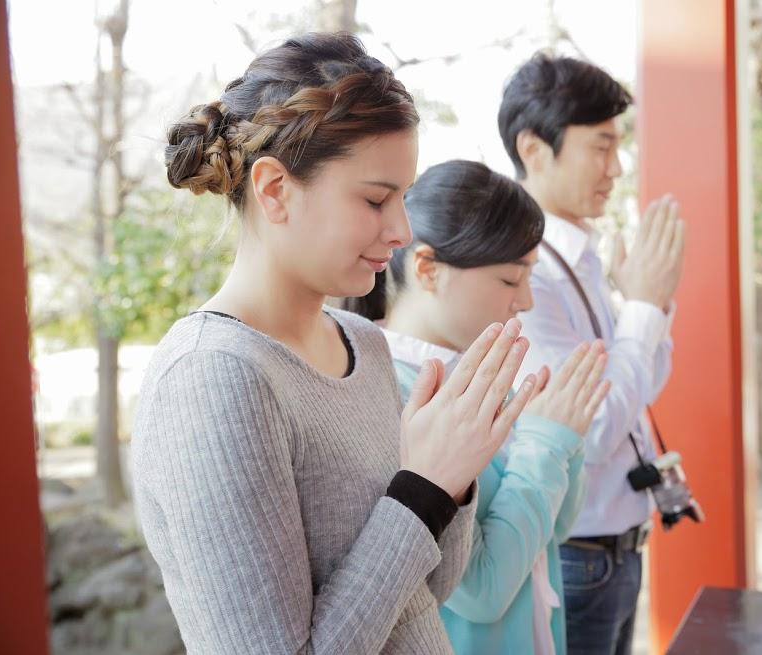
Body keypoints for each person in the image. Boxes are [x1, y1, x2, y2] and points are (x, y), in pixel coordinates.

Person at [132, 33, 538, 655]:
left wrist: (452, 478)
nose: (401, 229)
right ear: (274, 191)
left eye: (403, 198)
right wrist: (422, 488)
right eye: (376, 199)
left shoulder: (364, 343)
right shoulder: (212, 377)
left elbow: (428, 592)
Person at [347, 159, 609, 655]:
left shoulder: (480, 373)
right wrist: (546, 445)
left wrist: (562, 433)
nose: (526, 300)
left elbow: (556, 529)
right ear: (427, 268)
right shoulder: (393, 395)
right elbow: (481, 592)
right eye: (511, 280)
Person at [498, 53, 687, 655]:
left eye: (618, 146)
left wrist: (648, 309)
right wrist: (645, 309)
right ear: (534, 149)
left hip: (615, 547)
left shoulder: (578, 256)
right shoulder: (525, 277)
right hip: (577, 556)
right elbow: (594, 428)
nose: (617, 166)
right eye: (600, 147)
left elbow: (643, 383)